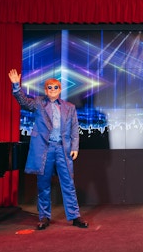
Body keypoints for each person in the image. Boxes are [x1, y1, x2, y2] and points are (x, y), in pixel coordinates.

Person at [8, 69, 88, 229]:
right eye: (49, 87)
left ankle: (75, 216)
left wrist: (75, 147)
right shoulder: (39, 103)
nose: (52, 90)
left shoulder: (69, 107)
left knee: (68, 183)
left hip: (63, 149)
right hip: (45, 149)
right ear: (45, 90)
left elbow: (74, 128)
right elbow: (23, 102)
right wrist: (16, 85)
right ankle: (44, 217)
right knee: (43, 184)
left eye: (55, 87)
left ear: (60, 90)